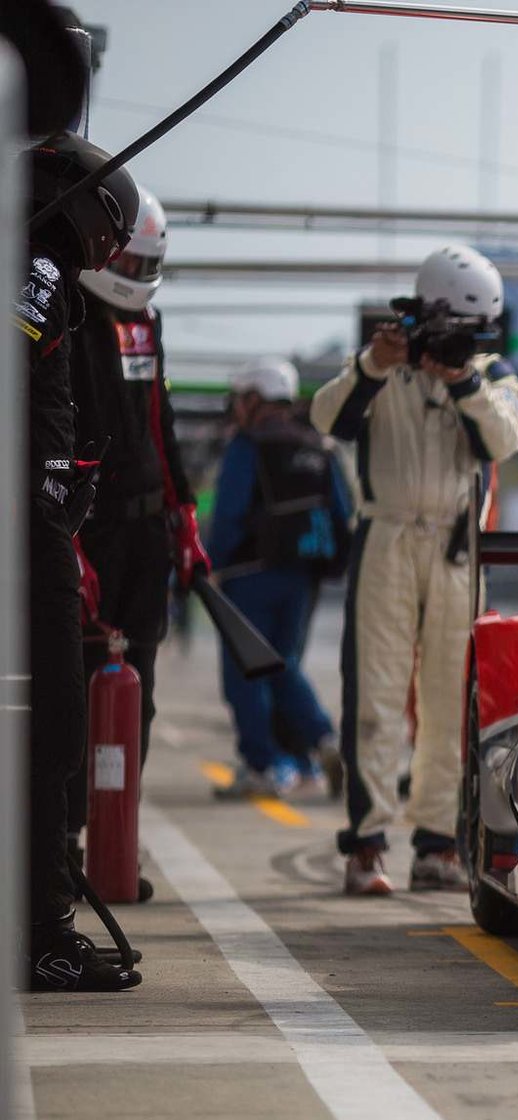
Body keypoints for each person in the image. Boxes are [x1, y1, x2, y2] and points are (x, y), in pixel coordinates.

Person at [310, 244, 518, 896]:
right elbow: (327, 416)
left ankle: (437, 844)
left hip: (459, 548)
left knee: (449, 702)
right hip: (388, 537)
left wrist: (462, 381)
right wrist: (378, 362)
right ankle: (367, 846)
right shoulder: (384, 365)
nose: (458, 342)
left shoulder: (491, 373)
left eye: (471, 331)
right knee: (374, 695)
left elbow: (505, 439)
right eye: (450, 327)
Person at [18, 131, 142, 990]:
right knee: (51, 726)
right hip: (26, 538)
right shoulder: (40, 273)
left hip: (34, 523)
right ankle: (38, 935)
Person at [67, 187, 207, 887]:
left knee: (137, 690)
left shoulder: (145, 325)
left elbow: (162, 420)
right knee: (69, 684)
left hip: (147, 533)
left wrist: (183, 512)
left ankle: (111, 834)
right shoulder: (58, 315)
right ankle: (62, 839)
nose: (137, 274)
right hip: (81, 529)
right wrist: (61, 536)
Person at [207, 357, 350, 799]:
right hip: (303, 576)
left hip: (248, 576)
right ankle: (320, 740)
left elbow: (229, 512)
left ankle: (264, 764)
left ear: (254, 399)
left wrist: (210, 564)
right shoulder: (318, 446)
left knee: (245, 672)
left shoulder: (248, 445)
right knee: (284, 662)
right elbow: (342, 513)